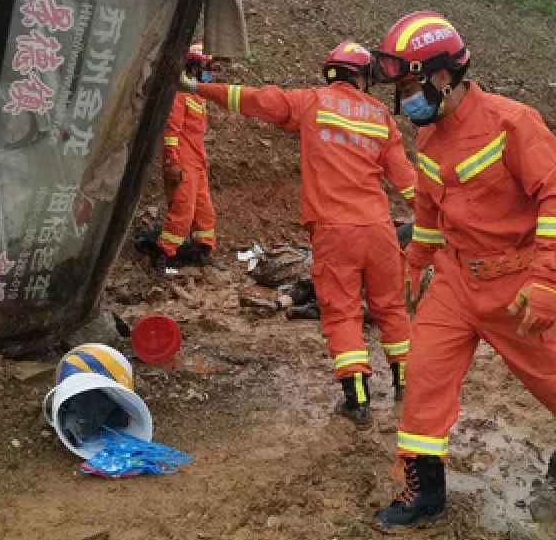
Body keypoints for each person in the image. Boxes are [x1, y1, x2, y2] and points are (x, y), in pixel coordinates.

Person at [370, 12, 556, 529]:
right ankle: (425, 491)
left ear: (443, 75)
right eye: (400, 87)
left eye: (410, 84)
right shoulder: (429, 138)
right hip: (455, 282)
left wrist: (546, 280)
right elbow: (430, 212)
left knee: (549, 381)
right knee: (426, 374)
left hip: (516, 285)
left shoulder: (514, 123)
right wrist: (416, 263)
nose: (404, 98)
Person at [178, 41, 416, 423]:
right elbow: (409, 185)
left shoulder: (313, 102)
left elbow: (254, 100)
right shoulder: (381, 116)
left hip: (335, 232)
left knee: (342, 314)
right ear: (362, 77)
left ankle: (358, 401)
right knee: (391, 308)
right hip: (380, 230)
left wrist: (195, 88)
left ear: (332, 72)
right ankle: (406, 387)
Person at [146, 42, 219, 272]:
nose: (208, 74)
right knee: (182, 211)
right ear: (195, 67)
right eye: (206, 68)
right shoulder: (179, 95)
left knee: (204, 210)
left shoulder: (197, 97)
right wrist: (172, 162)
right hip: (184, 162)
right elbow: (171, 132)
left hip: (197, 161)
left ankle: (203, 250)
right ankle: (164, 256)